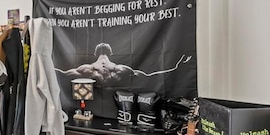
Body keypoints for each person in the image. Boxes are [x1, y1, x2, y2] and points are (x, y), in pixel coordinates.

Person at [58, 43, 192, 86]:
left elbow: (62, 74)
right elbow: (150, 77)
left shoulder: (86, 69)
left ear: (95, 53)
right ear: (111, 53)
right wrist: (177, 68)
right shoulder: (121, 69)